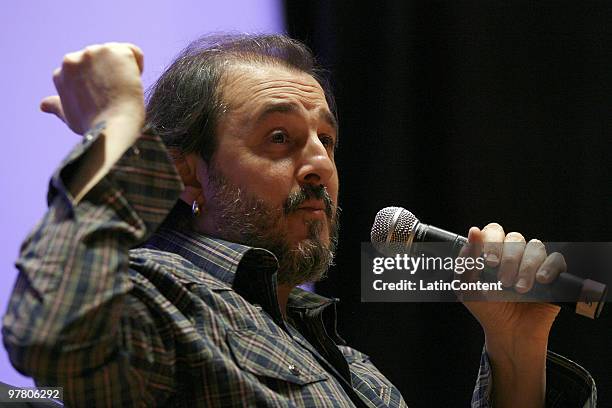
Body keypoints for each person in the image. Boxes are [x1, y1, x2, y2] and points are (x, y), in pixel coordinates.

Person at [2, 34, 596, 407]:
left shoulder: (349, 362)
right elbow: (54, 340)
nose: (319, 163)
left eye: (328, 141)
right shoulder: (158, 298)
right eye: (279, 137)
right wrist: (117, 132)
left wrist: (514, 353)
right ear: (188, 175)